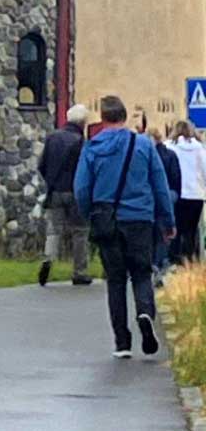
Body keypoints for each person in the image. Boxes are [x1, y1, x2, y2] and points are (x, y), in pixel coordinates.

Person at [75, 95, 175, 359]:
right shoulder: (143, 145)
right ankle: (144, 312)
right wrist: (167, 221)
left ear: (104, 118)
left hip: (107, 219)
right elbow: (159, 185)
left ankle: (122, 342)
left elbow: (82, 188)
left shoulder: (93, 147)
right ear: (124, 115)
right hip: (140, 218)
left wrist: (90, 214)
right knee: (142, 273)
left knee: (116, 279)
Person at [37, 104, 91, 286]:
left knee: (54, 230)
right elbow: (85, 170)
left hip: (55, 191)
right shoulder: (81, 142)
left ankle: (48, 259)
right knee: (80, 232)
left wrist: (51, 182)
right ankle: (79, 272)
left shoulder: (52, 138)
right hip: (75, 193)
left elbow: (41, 165)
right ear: (83, 122)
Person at [145, 122, 181, 286]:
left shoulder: (145, 154)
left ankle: (152, 262)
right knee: (164, 231)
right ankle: (162, 261)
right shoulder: (170, 155)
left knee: (150, 231)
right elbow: (176, 177)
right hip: (167, 195)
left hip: (148, 198)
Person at [169, 120, 206, 262]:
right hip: (196, 195)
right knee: (191, 231)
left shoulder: (170, 147)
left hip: (178, 195)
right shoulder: (200, 149)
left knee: (176, 230)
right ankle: (190, 260)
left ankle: (175, 261)